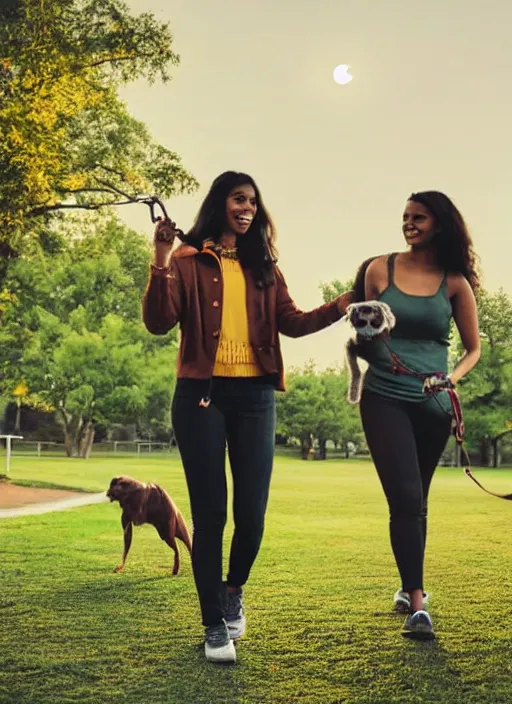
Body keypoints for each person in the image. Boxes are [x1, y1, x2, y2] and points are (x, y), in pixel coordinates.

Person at [142, 171, 353, 663]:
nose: (248, 208)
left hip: (256, 395)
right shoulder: (187, 260)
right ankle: (214, 624)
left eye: (254, 202)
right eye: (240, 200)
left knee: (252, 514)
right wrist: (159, 258)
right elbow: (158, 321)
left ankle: (232, 589)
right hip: (201, 396)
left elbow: (294, 324)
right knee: (211, 513)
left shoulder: (264, 268)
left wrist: (341, 304)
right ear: (220, 204)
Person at [354, 191, 481, 640]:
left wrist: (452, 379)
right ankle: (418, 603)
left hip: (434, 402)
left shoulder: (454, 283)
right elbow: (363, 328)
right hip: (385, 395)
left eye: (419, 217)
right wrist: (364, 334)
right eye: (405, 217)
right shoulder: (378, 269)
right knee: (406, 496)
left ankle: (409, 589)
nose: (409, 224)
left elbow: (473, 348)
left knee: (418, 499)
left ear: (440, 225)